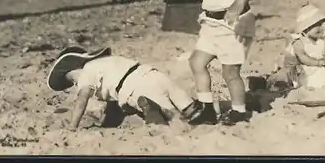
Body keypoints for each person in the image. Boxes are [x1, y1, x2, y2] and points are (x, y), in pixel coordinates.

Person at [46, 46, 206, 130]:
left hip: (137, 88)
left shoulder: (86, 72)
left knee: (175, 119)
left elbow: (82, 99)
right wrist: (108, 122)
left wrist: (73, 126)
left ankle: (154, 111)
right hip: (153, 74)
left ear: (75, 68)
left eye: (72, 80)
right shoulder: (106, 63)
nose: (76, 84)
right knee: (192, 109)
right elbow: (112, 103)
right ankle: (212, 108)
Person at [266, 3, 325, 91]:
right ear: (305, 28)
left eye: (321, 23)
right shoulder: (299, 41)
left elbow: (324, 53)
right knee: (285, 79)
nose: (320, 27)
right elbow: (302, 57)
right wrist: (317, 62)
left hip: (313, 67)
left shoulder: (320, 42)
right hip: (296, 69)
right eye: (315, 25)